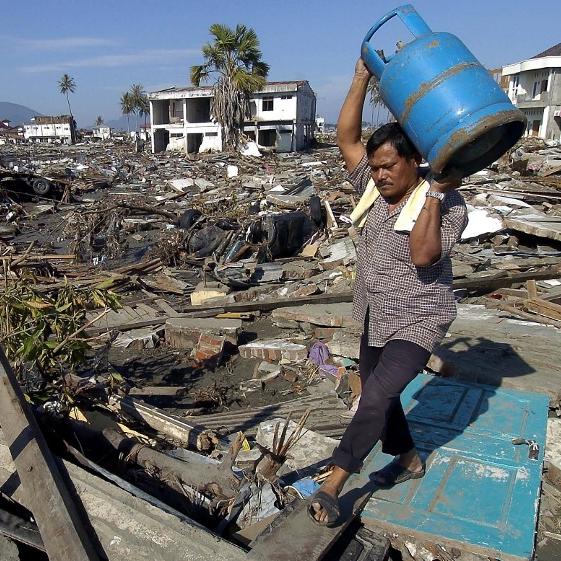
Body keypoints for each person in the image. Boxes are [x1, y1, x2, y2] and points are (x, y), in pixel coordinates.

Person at [309, 59, 469, 526]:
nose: (378, 175)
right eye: (374, 168)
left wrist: (437, 193)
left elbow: (423, 256)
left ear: (413, 161)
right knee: (387, 396)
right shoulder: (373, 192)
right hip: (375, 313)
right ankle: (408, 457)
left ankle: (335, 482)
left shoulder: (448, 204)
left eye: (387, 167)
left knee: (374, 396)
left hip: (420, 318)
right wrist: (360, 76)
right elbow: (346, 138)